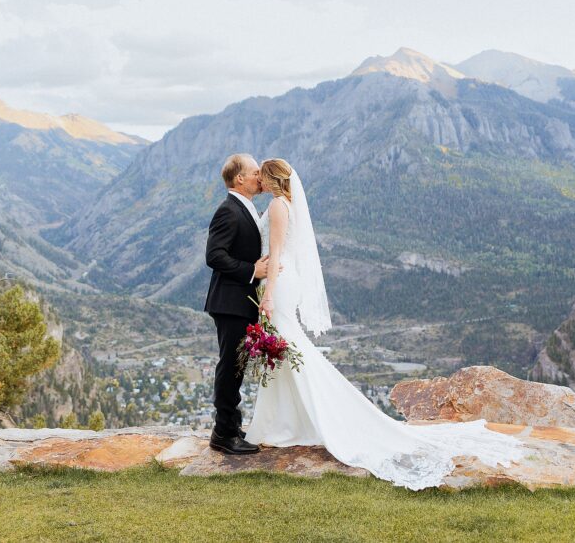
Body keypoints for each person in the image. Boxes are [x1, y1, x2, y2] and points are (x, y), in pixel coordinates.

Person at [244, 158, 527, 490]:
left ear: (270, 178)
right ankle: (285, 422)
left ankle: (295, 422)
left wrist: (269, 295)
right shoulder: (286, 204)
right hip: (282, 281)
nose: (257, 178)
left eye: (260, 173)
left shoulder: (278, 206)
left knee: (289, 350)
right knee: (287, 352)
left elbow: (276, 255)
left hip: (280, 282)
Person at [203, 153, 269, 455]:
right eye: (255, 172)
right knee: (229, 367)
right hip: (229, 302)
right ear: (239, 178)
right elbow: (214, 255)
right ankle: (222, 434)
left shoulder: (246, 208)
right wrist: (253, 270)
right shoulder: (228, 211)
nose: (260, 176)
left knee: (237, 367)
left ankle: (231, 425)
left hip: (240, 301)